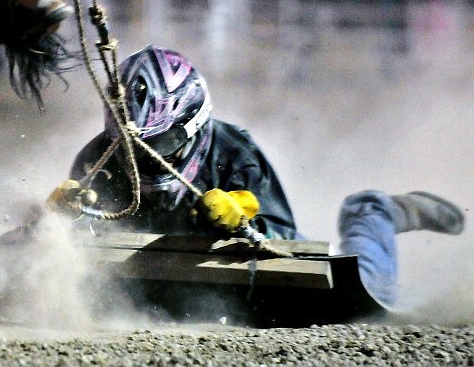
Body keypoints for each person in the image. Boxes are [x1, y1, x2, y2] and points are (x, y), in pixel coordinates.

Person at [47, 45, 465, 309]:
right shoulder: (98, 160)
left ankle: (372, 213)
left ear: (194, 123)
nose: (146, 158)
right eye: (133, 144)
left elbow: (283, 240)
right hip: (184, 288)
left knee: (375, 298)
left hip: (276, 282)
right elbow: (84, 252)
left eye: (165, 141)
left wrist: (239, 216)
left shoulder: (236, 153)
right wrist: (60, 220)